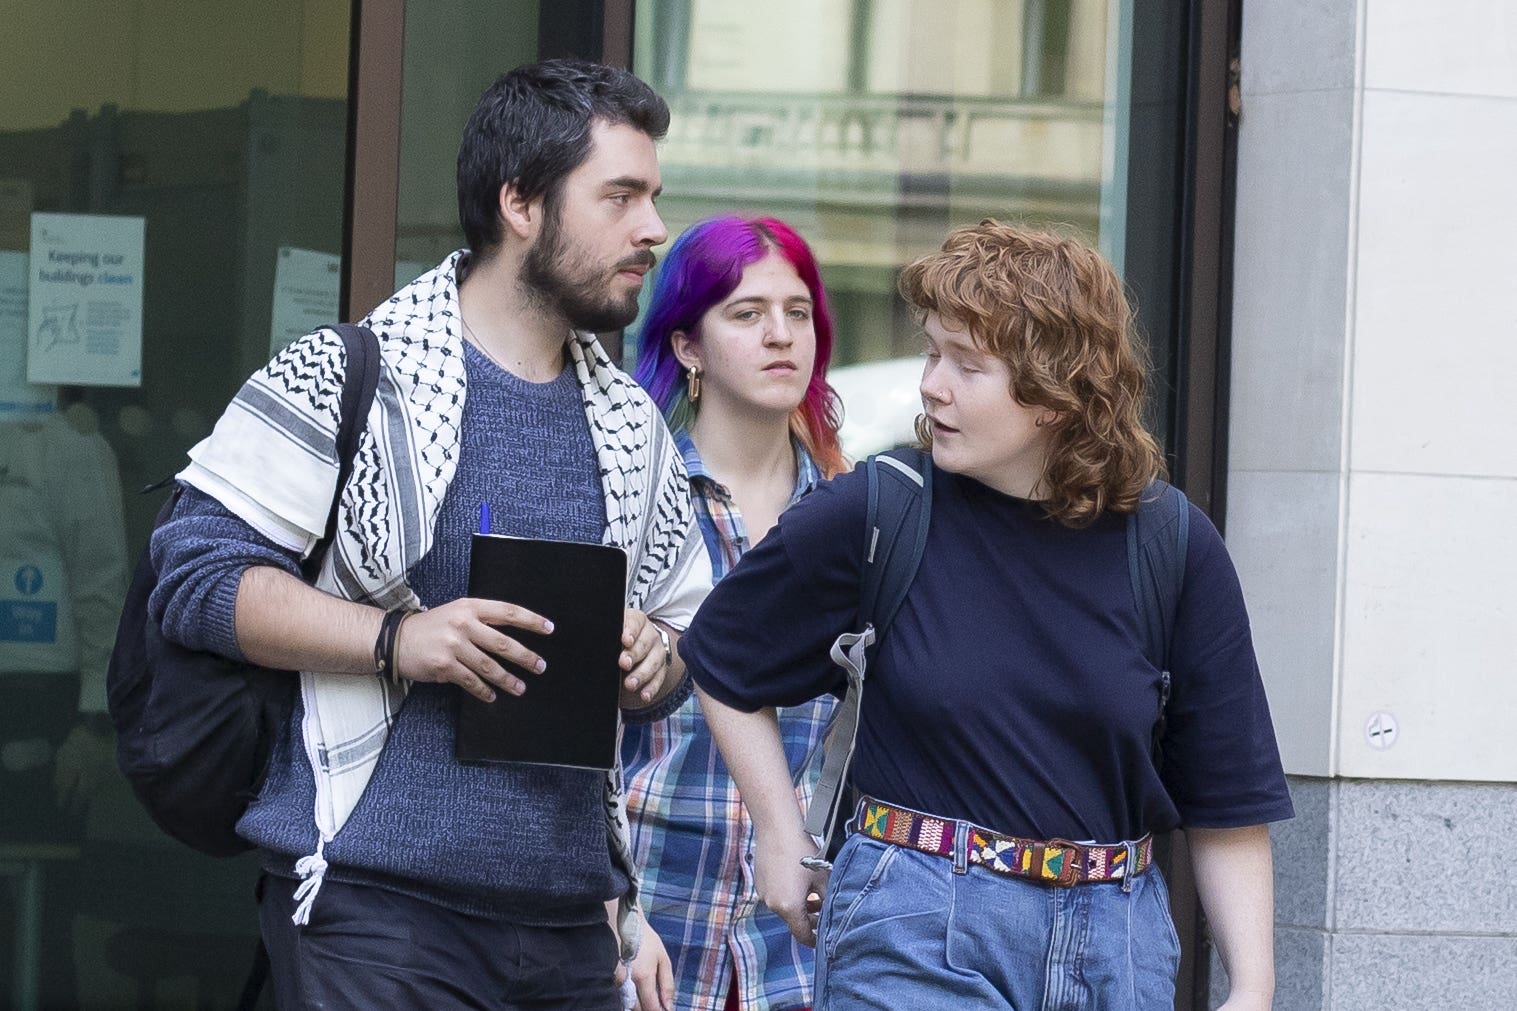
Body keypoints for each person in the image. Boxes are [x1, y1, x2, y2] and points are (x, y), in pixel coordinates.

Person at [147, 59, 711, 1010]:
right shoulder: (346, 374)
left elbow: (685, 630)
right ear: (520, 202)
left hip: (575, 924)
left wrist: (657, 660)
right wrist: (402, 639)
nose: (652, 228)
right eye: (620, 196)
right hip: (377, 915)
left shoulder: (632, 422)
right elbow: (196, 580)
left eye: (653, 197)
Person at [681, 220, 1295, 1009]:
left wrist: (1251, 985)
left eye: (966, 365)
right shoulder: (879, 507)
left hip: (1118, 945)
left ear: (1056, 391)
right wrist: (778, 830)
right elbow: (723, 659)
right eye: (932, 352)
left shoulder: (1173, 543)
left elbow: (1226, 794)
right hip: (915, 923)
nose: (931, 384)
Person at [623, 215, 848, 1011]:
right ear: (687, 346)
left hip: (796, 950)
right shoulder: (633, 502)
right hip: (647, 920)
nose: (781, 335)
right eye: (746, 314)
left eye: (797, 313)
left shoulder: (852, 522)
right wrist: (609, 907)